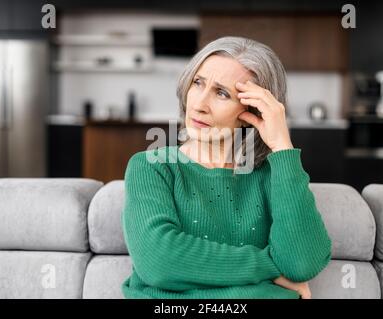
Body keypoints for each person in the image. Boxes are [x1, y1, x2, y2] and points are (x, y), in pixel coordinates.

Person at [121, 36, 332, 299]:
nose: (199, 105)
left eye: (222, 93)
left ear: (252, 112)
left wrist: (283, 147)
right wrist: (270, 269)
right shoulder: (152, 167)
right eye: (198, 83)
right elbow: (158, 261)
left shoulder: (271, 175)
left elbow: (302, 264)